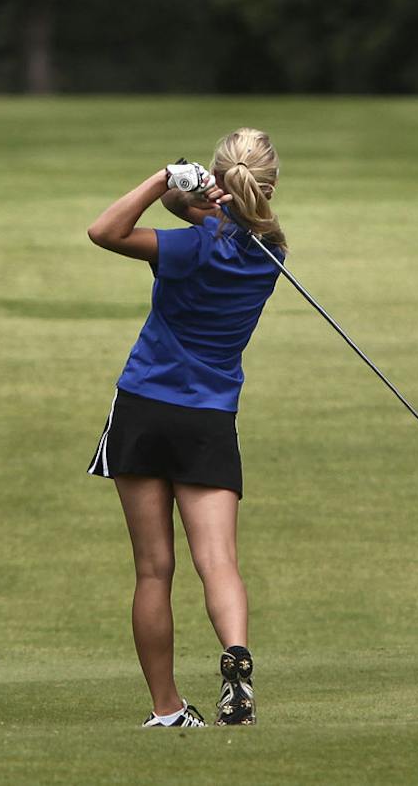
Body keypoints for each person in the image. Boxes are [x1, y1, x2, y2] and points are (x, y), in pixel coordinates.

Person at [84, 127, 287, 729]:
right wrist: (201, 192)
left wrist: (164, 178)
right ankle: (236, 659)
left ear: (220, 182)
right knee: (218, 559)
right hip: (209, 419)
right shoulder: (272, 248)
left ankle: (168, 710)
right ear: (268, 186)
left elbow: (105, 231)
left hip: (145, 407)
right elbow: (216, 220)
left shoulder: (188, 248)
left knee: (154, 570)